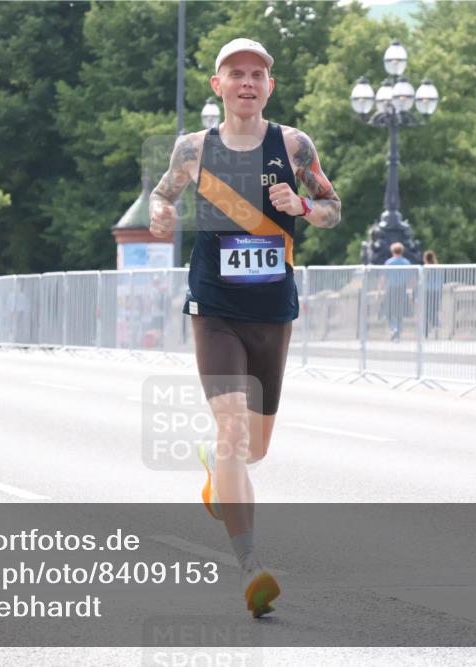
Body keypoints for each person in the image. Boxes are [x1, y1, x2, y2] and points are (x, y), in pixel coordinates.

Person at [149, 38, 340, 618]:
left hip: (272, 312)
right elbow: (162, 194)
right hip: (214, 309)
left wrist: (303, 207)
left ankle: (219, 475)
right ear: (219, 85)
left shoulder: (293, 145)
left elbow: (333, 209)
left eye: (257, 74)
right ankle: (251, 567)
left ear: (269, 87)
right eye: (236, 73)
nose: (247, 82)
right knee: (232, 430)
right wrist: (162, 213)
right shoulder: (193, 149)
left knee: (252, 448)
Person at [384, 243, 410, 342]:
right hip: (402, 288)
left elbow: (384, 277)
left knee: (389, 311)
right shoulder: (406, 262)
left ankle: (393, 328)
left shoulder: (389, 262)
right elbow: (410, 277)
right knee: (400, 312)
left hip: (391, 288)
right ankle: (398, 331)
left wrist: (380, 291)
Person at [422, 249, 442, 338]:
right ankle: (436, 326)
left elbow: (422, 280)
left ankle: (427, 330)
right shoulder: (438, 268)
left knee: (426, 312)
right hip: (436, 291)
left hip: (427, 291)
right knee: (434, 310)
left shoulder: (425, 268)